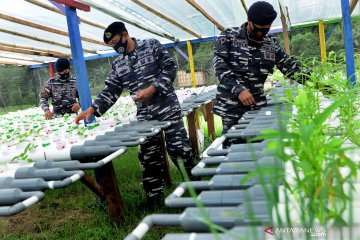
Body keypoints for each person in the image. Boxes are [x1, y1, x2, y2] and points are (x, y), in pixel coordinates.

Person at [74, 22, 197, 204]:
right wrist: (91, 110)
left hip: (167, 109)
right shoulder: (119, 63)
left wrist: (152, 89)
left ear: (125, 34)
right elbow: (111, 90)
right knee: (149, 157)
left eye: (116, 41)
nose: (116, 47)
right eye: (111, 45)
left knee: (180, 150)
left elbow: (170, 69)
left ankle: (196, 190)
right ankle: (154, 199)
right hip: (146, 116)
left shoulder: (151, 45)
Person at [213, 1, 315, 135]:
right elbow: (219, 66)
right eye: (259, 29)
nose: (262, 33)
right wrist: (239, 90)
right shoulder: (228, 36)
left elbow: (289, 66)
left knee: (259, 145)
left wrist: (316, 82)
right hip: (232, 107)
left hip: (257, 105)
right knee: (235, 146)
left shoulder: (270, 43)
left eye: (266, 29)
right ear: (249, 22)